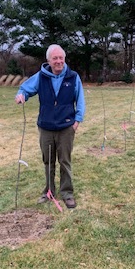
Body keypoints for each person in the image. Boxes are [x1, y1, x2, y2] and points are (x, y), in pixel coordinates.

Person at [15, 44, 85, 208]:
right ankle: (49, 191)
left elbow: (80, 100)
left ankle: (67, 193)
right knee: (48, 162)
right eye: (55, 58)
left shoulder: (73, 77)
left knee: (65, 161)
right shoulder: (41, 77)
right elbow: (25, 89)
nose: (59, 61)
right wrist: (21, 96)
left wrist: (77, 121)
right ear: (48, 60)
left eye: (61, 58)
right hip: (46, 127)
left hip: (66, 127)